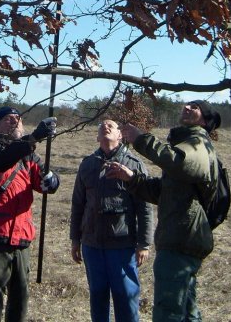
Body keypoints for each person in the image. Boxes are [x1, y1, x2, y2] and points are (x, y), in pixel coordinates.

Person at [106, 100, 220, 322]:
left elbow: (179, 162)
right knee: (186, 311)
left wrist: (141, 139)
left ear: (205, 120)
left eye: (194, 107)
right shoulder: (188, 142)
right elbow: (165, 192)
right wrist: (131, 178)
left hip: (182, 238)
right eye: (186, 105)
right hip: (181, 237)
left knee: (168, 311)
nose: (187, 108)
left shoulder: (198, 143)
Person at [0, 106, 59, 322]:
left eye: (18, 119)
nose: (15, 122)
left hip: (22, 238)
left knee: (20, 302)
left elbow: (47, 180)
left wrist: (52, 180)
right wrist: (35, 136)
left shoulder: (28, 156)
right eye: (9, 119)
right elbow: (1, 161)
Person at [70, 119, 155, 322]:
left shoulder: (133, 165)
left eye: (111, 125)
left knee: (126, 297)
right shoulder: (87, 165)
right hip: (92, 244)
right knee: (98, 296)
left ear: (120, 135)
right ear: (97, 137)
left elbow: (145, 208)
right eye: (102, 126)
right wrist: (75, 239)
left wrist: (144, 244)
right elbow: (77, 205)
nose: (105, 126)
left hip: (122, 245)